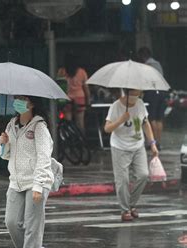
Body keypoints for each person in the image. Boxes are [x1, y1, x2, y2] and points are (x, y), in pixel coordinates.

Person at [0, 95, 54, 248]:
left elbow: (44, 157)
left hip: (36, 182)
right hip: (16, 181)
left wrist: (39, 185)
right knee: (11, 222)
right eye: (16, 98)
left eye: (23, 99)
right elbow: (6, 156)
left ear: (32, 104)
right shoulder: (11, 125)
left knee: (33, 226)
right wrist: (3, 144)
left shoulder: (39, 127)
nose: (18, 101)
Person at [104, 89, 159, 222]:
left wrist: (152, 143)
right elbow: (107, 128)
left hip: (138, 146)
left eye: (139, 92)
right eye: (135, 91)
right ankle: (125, 210)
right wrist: (121, 119)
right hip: (120, 147)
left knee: (143, 175)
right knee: (123, 180)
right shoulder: (116, 106)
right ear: (128, 91)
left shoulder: (140, 104)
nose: (137, 94)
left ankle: (131, 204)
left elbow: (145, 124)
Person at [137, 47, 167, 150]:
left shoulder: (146, 66)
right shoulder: (157, 64)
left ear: (142, 56)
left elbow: (144, 81)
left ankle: (151, 143)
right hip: (162, 91)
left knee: (151, 118)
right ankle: (158, 143)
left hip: (152, 92)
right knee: (159, 119)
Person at [62, 53, 91, 134]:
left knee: (68, 123)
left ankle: (69, 144)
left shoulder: (62, 71)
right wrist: (88, 101)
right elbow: (86, 88)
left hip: (67, 99)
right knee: (80, 123)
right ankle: (82, 143)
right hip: (80, 99)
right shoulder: (82, 72)